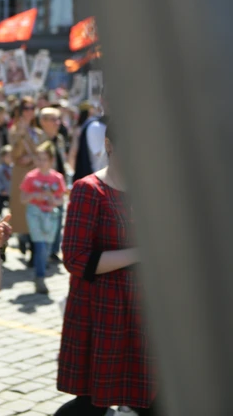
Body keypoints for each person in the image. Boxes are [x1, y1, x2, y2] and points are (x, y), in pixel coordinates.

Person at [56, 120, 157, 415]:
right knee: (92, 405)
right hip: (101, 312)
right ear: (110, 146)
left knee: (151, 398)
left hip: (142, 313)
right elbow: (76, 259)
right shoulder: (89, 189)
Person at [19, 141, 67, 294]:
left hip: (51, 216)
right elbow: (23, 198)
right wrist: (35, 195)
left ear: (51, 160)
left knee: (46, 248)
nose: (40, 162)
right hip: (35, 214)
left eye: (44, 159)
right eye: (38, 158)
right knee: (40, 246)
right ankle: (40, 278)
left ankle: (39, 271)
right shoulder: (31, 177)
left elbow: (61, 199)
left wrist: (54, 200)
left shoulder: (57, 178)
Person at [9, 96, 44, 259]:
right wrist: (21, 136)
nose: (29, 111)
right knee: (23, 209)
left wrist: (32, 158)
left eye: (32, 108)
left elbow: (44, 152)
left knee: (37, 208)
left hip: (37, 173)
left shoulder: (38, 132)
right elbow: (14, 155)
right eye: (26, 108)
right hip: (22, 175)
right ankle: (25, 238)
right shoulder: (15, 130)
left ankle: (33, 246)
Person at [38, 106, 71, 263]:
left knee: (58, 217)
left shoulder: (59, 139)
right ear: (43, 122)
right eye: (53, 119)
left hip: (58, 185)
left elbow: (62, 161)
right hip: (42, 186)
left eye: (58, 119)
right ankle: (38, 251)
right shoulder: (38, 139)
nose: (58, 123)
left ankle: (53, 251)